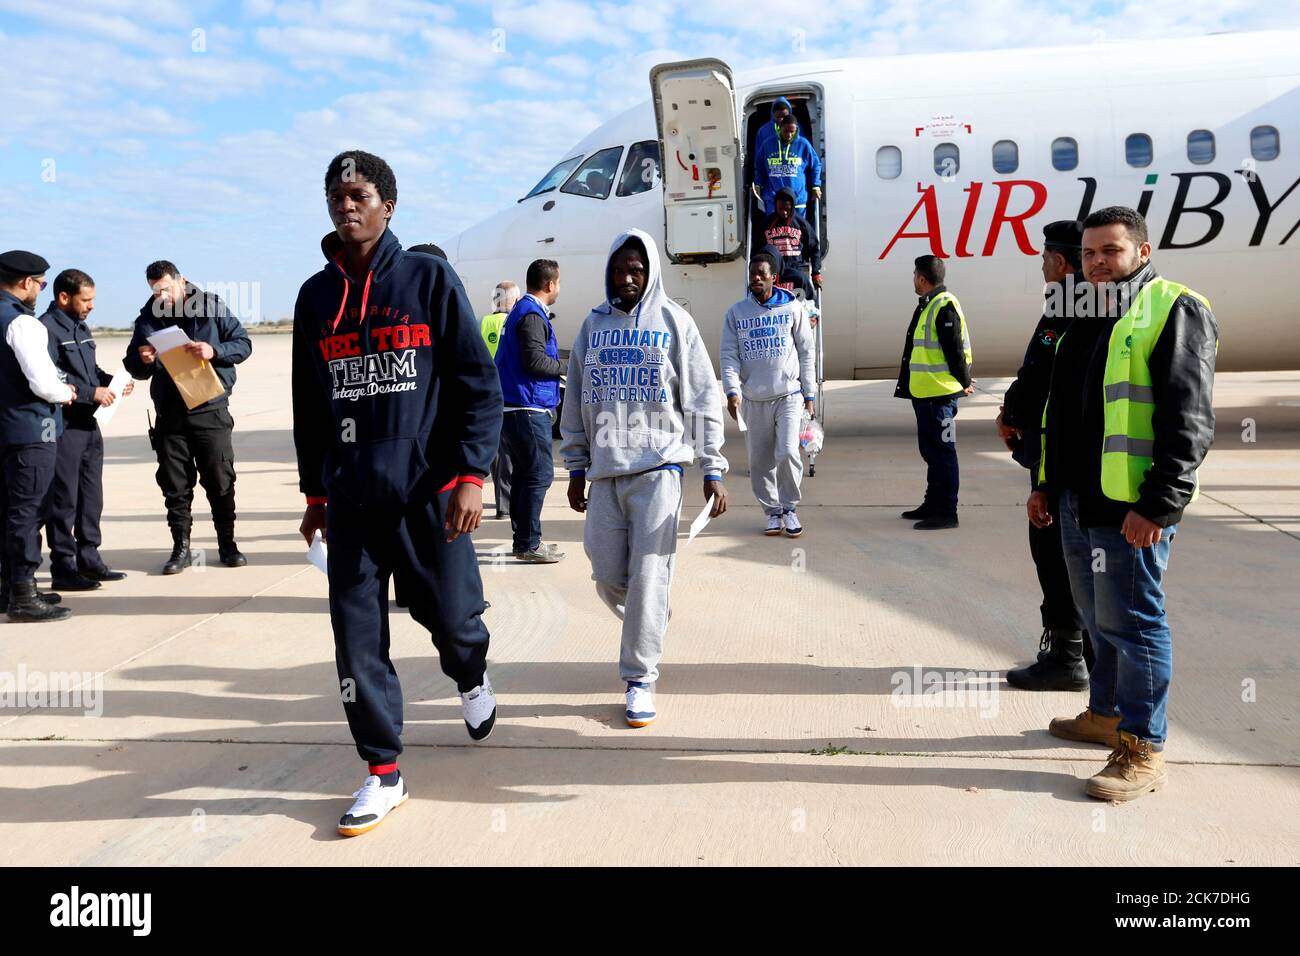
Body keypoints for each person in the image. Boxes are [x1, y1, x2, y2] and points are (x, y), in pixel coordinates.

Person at [294, 149, 503, 836]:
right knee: (356, 646)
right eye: (335, 196)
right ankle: (382, 772)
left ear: (387, 204)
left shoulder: (428, 279)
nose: (345, 205)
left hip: (427, 496)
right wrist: (314, 497)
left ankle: (470, 676)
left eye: (357, 194)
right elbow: (310, 406)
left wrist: (470, 476)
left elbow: (478, 385)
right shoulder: (314, 297)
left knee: (453, 621)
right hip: (351, 501)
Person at [1031, 206, 1218, 802]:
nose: (1096, 264)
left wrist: (1160, 504)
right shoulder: (1087, 311)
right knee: (1096, 618)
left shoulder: (1174, 307)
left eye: (1109, 252)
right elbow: (1064, 411)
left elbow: (1190, 420)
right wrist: (1045, 482)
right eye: (1088, 254)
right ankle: (1107, 713)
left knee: (1135, 624)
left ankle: (1143, 747)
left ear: (1141, 250)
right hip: (1079, 501)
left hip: (1130, 507)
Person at [561, 229, 728, 728]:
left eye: (637, 270)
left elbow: (702, 398)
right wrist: (574, 465)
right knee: (608, 574)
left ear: (650, 272)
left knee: (650, 576)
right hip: (606, 473)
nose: (629, 278)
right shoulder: (592, 327)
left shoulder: (676, 323)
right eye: (621, 269)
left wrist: (712, 466)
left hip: (660, 471)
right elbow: (576, 402)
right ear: (610, 271)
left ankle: (639, 678)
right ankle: (650, 617)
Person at [1000, 222, 1093, 691]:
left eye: (1043, 259)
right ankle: (1094, 655)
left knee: (1054, 552)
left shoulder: (1066, 301)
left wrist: (1010, 412)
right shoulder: (1110, 299)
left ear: (1059, 261)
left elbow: (1038, 369)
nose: (1041, 268)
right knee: (1090, 553)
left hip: (1055, 451)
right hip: (1094, 453)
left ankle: (1065, 656)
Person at [123, 261, 252, 573]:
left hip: (210, 408)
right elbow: (134, 366)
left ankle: (227, 544)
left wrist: (213, 350)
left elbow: (243, 344)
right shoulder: (148, 318)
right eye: (156, 291)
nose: (162, 296)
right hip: (170, 413)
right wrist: (142, 360)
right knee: (175, 485)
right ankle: (181, 548)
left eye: (166, 289)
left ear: (182, 282)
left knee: (220, 480)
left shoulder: (211, 308)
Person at [39, 269, 132, 591]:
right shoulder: (45, 329)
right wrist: (91, 393)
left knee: (91, 497)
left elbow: (89, 370)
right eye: (86, 299)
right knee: (64, 501)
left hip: (90, 425)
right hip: (64, 427)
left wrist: (111, 383)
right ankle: (63, 568)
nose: (91, 306)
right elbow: (50, 376)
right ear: (64, 297)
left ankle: (90, 560)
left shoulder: (80, 326)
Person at [0, 250, 74, 623]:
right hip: (31, 431)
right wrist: (67, 393)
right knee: (29, 511)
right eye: (41, 284)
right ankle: (24, 595)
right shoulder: (22, 323)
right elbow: (44, 382)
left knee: (8, 511)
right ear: (27, 282)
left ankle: (7, 589)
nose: (40, 291)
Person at [720, 252, 816, 537]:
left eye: (762, 273)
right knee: (759, 463)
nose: (756, 278)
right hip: (753, 400)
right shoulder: (736, 313)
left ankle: (789, 508)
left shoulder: (793, 308)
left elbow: (806, 352)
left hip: (788, 395)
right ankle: (772, 512)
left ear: (774, 277)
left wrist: (809, 395)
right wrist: (731, 390)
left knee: (787, 452)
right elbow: (728, 355)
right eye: (753, 274)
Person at [894, 255, 973, 530]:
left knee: (943, 453)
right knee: (932, 452)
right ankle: (932, 503)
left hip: (940, 395)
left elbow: (953, 349)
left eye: (915, 274)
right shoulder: (930, 304)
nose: (913, 279)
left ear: (922, 278)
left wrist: (964, 380)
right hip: (926, 394)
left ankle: (947, 511)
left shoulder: (943, 306)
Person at [495, 260, 564, 562]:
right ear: (550, 285)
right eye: (558, 283)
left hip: (516, 405)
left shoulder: (523, 311)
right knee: (539, 474)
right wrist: (566, 367)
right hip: (527, 405)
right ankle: (529, 543)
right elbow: (534, 361)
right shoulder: (532, 315)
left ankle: (524, 541)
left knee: (525, 474)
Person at [481, 280, 520, 518]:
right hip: (510, 390)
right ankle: (505, 505)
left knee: (495, 449)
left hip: (489, 390)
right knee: (508, 451)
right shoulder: (515, 321)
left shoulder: (485, 322)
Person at [754, 114, 822, 225]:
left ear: (796, 130)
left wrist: (816, 185)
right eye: (786, 131)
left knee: (798, 234)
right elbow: (759, 167)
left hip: (797, 200)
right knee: (775, 233)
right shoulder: (767, 144)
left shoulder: (803, 144)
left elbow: (815, 165)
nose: (789, 135)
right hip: (774, 200)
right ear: (780, 127)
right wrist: (758, 184)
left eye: (792, 131)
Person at [760, 188, 822, 292]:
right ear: (776, 206)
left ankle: (809, 304)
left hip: (795, 269)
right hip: (772, 271)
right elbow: (758, 248)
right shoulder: (766, 223)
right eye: (780, 209)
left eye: (787, 209)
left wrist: (816, 273)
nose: (784, 213)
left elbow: (814, 248)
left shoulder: (802, 224)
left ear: (792, 206)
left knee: (803, 280)